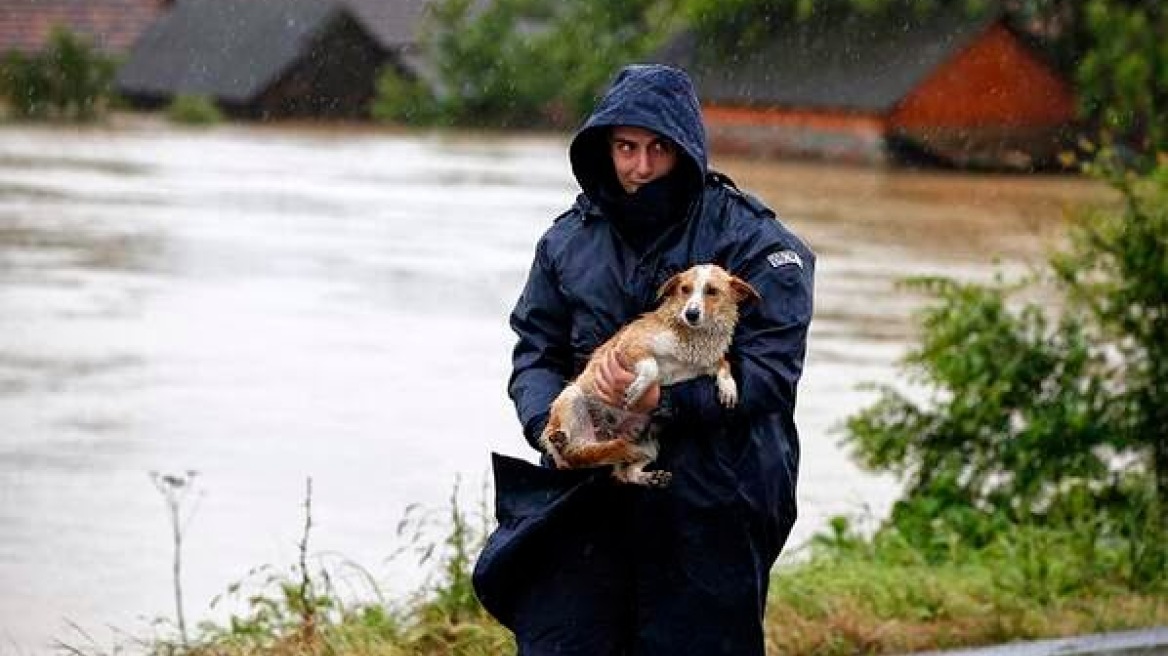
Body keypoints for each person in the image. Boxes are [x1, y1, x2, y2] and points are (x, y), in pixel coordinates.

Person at [472, 63, 815, 656]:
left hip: (714, 496)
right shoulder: (566, 241)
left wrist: (669, 402)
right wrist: (554, 431)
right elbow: (535, 352)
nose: (639, 167)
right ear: (604, 147)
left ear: (686, 149)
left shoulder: (756, 243)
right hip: (589, 493)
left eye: (658, 148)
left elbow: (772, 377)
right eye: (625, 147)